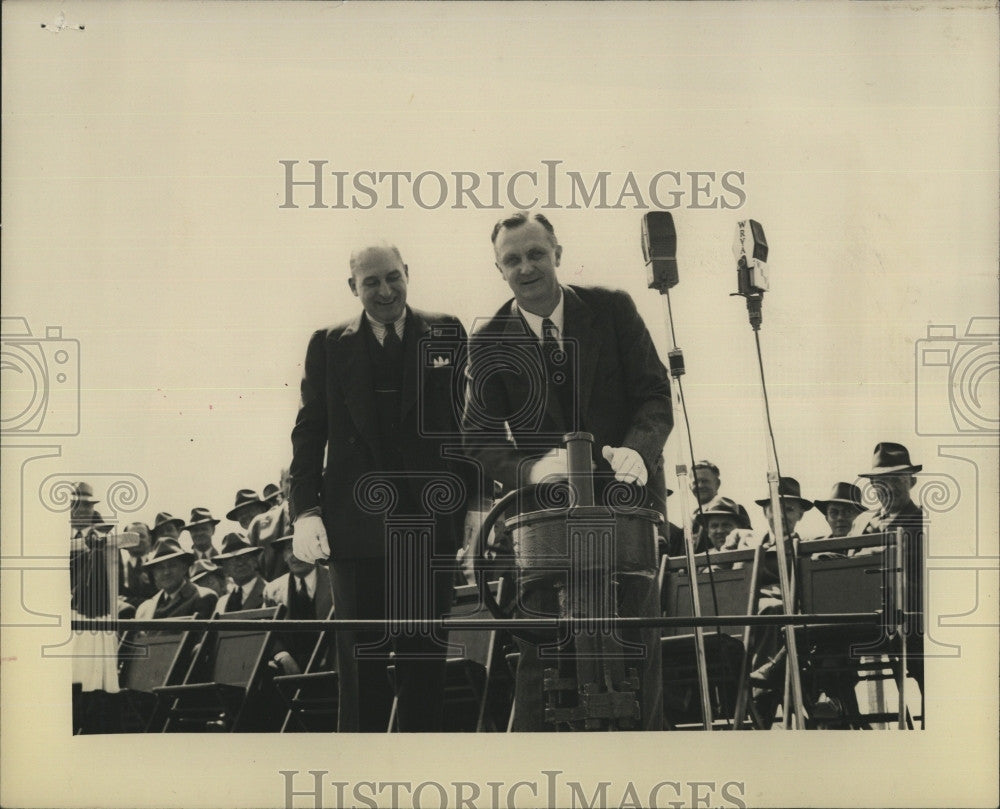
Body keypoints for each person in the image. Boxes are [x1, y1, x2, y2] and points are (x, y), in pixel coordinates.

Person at [461, 211, 672, 731]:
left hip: (628, 521)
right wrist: (532, 471)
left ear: (558, 251)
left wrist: (637, 453)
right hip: (543, 533)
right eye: (512, 260)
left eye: (536, 253)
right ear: (498, 269)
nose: (527, 267)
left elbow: (654, 394)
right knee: (544, 663)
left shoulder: (613, 308)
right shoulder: (487, 339)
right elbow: (478, 440)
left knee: (637, 655)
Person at [290, 241, 474, 732]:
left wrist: (472, 509)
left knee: (424, 668)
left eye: (393, 277)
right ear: (353, 287)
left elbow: (464, 427)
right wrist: (304, 511)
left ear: (407, 273)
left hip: (428, 527)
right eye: (371, 281)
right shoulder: (328, 344)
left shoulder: (446, 330)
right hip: (355, 532)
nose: (385, 289)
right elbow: (310, 430)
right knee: (359, 667)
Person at [726, 476, 812, 725]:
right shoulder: (749, 543)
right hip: (743, 612)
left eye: (790, 509)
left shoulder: (804, 547)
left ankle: (761, 692)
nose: (782, 515)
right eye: (775, 507)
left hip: (779, 613)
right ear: (765, 512)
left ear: (800, 516)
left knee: (773, 609)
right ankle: (764, 681)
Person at [850, 442, 926, 696]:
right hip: (855, 617)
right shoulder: (862, 522)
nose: (888, 487)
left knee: (928, 671)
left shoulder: (923, 521)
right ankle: (840, 715)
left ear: (911, 482)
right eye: (880, 481)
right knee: (819, 652)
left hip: (906, 620)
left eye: (896, 479)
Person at [264, 533, 334, 673]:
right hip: (289, 670)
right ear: (284, 556)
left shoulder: (335, 582)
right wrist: (281, 655)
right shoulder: (272, 590)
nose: (296, 554)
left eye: (302, 547)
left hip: (333, 664)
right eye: (290, 548)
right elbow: (266, 630)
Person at [134, 538, 218, 620]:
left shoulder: (203, 598)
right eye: (160, 568)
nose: (166, 572)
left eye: (172, 565)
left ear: (184, 568)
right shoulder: (146, 608)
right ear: (154, 574)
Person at [690, 460, 752, 549]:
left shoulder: (734, 509)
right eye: (695, 482)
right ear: (689, 486)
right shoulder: (690, 519)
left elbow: (746, 545)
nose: (700, 485)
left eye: (705, 481)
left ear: (717, 483)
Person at [248, 473, 292, 582]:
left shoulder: (329, 512)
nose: (297, 483)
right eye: (289, 480)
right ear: (281, 485)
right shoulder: (259, 524)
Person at [213, 532, 267, 614]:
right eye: (232, 560)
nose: (240, 563)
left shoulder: (271, 593)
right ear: (225, 570)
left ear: (255, 561)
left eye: (244, 557)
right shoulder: (222, 604)